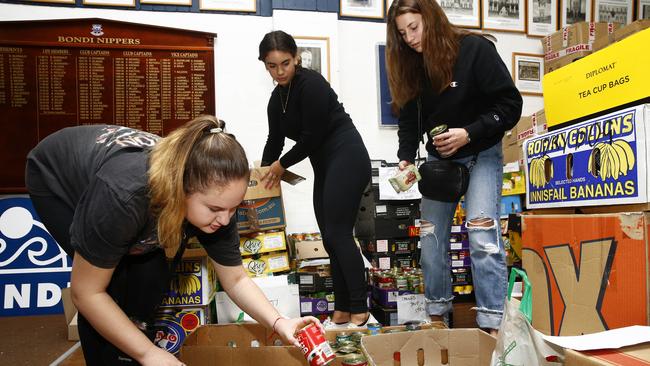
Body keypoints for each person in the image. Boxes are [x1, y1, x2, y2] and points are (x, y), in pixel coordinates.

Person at [25, 116, 320, 366]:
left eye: (234, 207)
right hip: (57, 179)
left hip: (139, 196)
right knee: (111, 288)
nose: (225, 220)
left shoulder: (218, 201)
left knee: (151, 275)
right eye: (216, 210)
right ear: (183, 187)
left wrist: (280, 323)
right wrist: (149, 354)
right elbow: (86, 293)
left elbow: (236, 280)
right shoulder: (124, 194)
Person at [386, 0, 523, 333]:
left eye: (414, 28)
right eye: (402, 34)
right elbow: (408, 120)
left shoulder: (474, 49)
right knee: (431, 242)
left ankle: (492, 323)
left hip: (482, 155)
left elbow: (510, 105)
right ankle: (437, 316)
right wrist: (405, 155)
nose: (410, 39)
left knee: (481, 236)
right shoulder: (413, 65)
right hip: (439, 165)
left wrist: (469, 133)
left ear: (430, 18)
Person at [258, 30, 373, 328]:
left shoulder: (312, 84)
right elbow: (274, 140)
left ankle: (359, 307)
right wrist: (261, 174)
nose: (280, 71)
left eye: (285, 63)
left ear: (296, 57)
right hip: (326, 164)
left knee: (339, 235)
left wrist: (281, 166)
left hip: (347, 155)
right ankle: (342, 308)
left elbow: (312, 137)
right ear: (265, 65)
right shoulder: (276, 99)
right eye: (272, 65)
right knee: (330, 239)